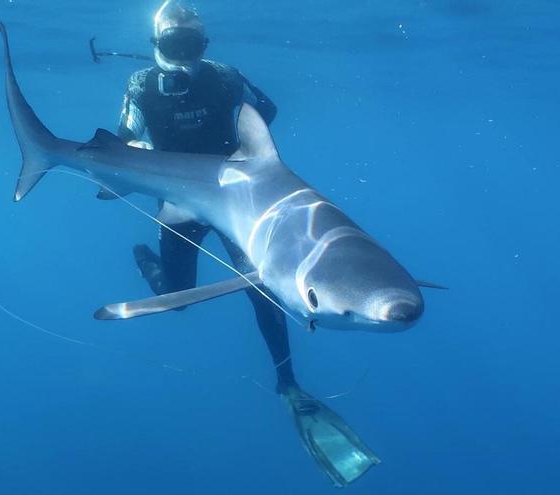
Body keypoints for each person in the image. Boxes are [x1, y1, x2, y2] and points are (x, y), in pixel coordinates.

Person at [116, 0, 379, 486]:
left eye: (192, 44)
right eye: (174, 44)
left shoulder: (224, 75)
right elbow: (123, 136)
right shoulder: (139, 85)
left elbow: (266, 111)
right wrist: (139, 154)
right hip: (179, 199)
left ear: (205, 45)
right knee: (175, 299)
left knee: (265, 286)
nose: (184, 54)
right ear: (156, 45)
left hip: (241, 198)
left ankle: (289, 384)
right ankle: (145, 262)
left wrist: (247, 147)